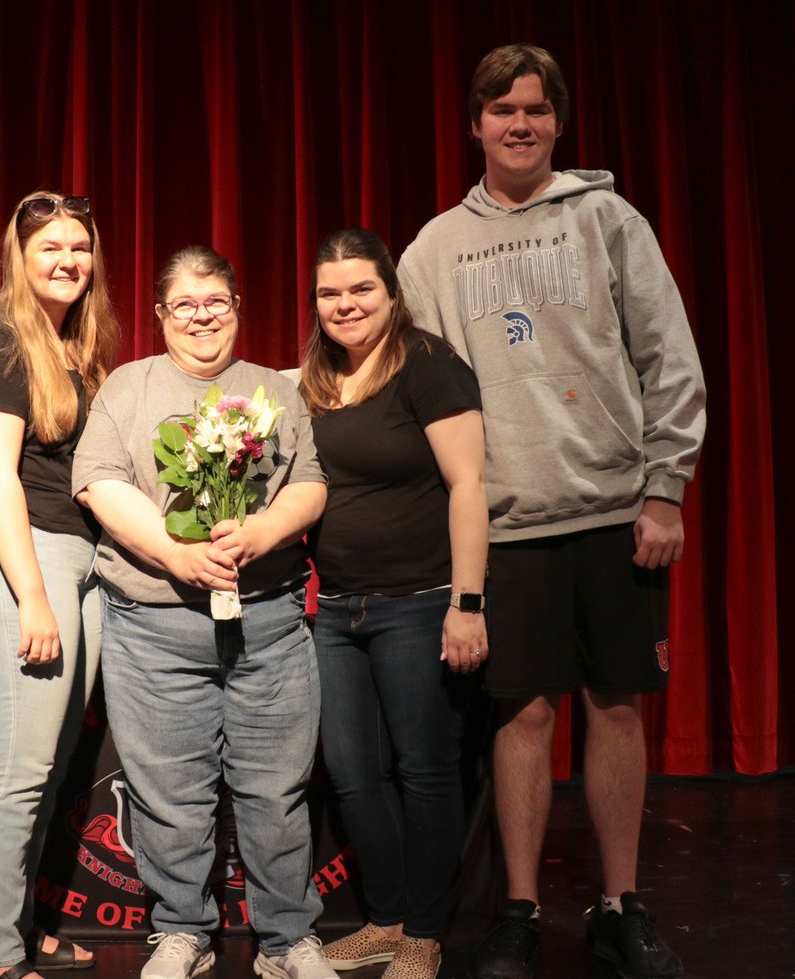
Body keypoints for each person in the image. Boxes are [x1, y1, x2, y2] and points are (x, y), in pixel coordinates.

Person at [396, 44, 706, 979]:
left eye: (534, 109)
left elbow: (669, 358)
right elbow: (422, 397)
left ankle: (620, 904)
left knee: (616, 708)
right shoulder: (434, 248)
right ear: (475, 125)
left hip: (616, 511)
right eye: (501, 110)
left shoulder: (609, 220)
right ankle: (521, 912)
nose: (518, 124)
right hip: (508, 521)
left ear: (558, 123)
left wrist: (665, 487)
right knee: (523, 716)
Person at [73, 246, 335, 979]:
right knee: (168, 795)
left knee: (276, 789)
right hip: (155, 625)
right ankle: (182, 932)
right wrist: (172, 553)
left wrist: (260, 531)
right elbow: (96, 483)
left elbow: (309, 483)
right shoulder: (127, 388)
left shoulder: (273, 389)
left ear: (237, 306)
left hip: (268, 622)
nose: (201, 317)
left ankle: (287, 941)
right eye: (184, 305)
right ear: (160, 315)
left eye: (215, 301)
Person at [298, 228, 487, 979]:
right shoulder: (315, 375)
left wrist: (467, 601)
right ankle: (385, 917)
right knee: (350, 769)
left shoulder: (429, 364)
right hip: (337, 609)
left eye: (360, 289)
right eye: (329, 292)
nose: (344, 304)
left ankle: (425, 931)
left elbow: (470, 485)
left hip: (420, 601)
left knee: (425, 769)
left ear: (390, 292)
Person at [0, 192, 119, 979]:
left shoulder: (69, 344)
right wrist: (34, 597)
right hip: (23, 557)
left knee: (45, 764)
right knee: (17, 768)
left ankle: (16, 924)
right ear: (19, 255)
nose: (67, 260)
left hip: (75, 558)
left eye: (79, 247)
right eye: (50, 245)